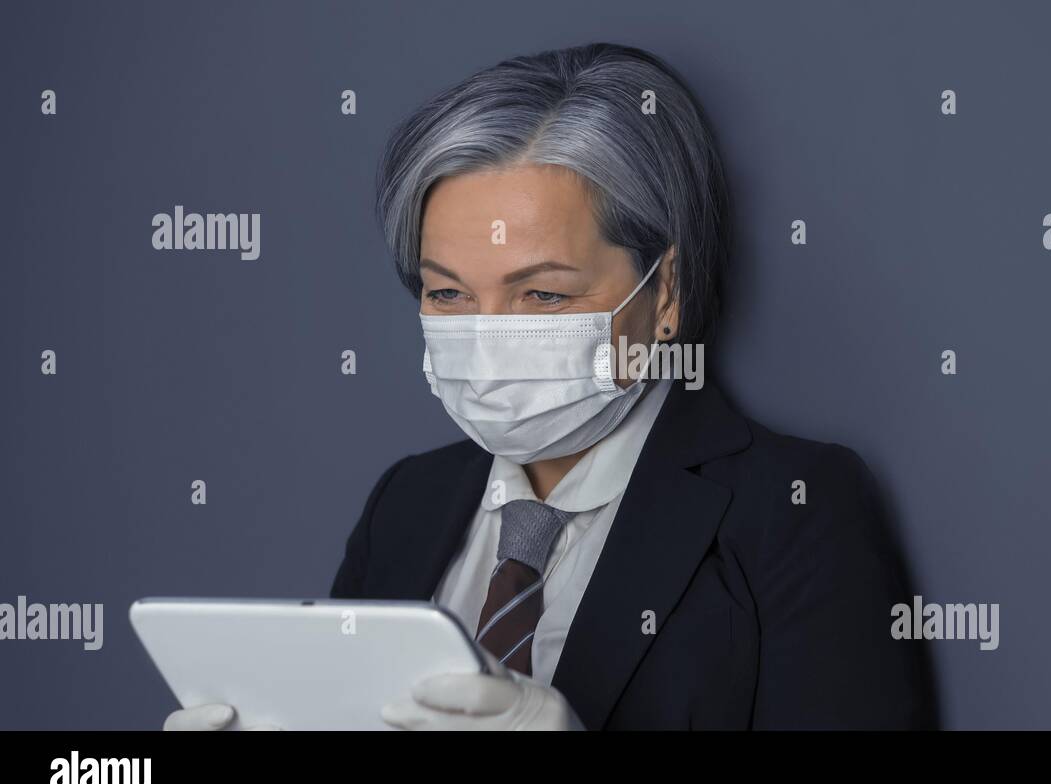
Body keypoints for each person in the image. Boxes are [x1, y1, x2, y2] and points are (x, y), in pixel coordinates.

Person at [165, 42, 938, 731]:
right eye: (449, 294)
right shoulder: (406, 504)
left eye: (543, 296)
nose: (490, 338)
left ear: (664, 292)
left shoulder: (795, 510)